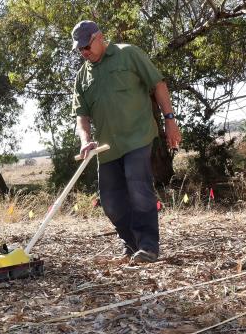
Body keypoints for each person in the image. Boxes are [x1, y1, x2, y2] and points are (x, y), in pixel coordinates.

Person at [70, 20, 182, 264]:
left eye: (87, 46)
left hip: (137, 136)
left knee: (138, 188)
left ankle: (149, 246)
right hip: (106, 147)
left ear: (99, 37)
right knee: (110, 201)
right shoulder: (82, 77)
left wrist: (170, 120)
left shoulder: (128, 54)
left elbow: (158, 84)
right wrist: (85, 140)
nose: (84, 52)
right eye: (79, 49)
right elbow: (82, 116)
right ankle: (131, 243)